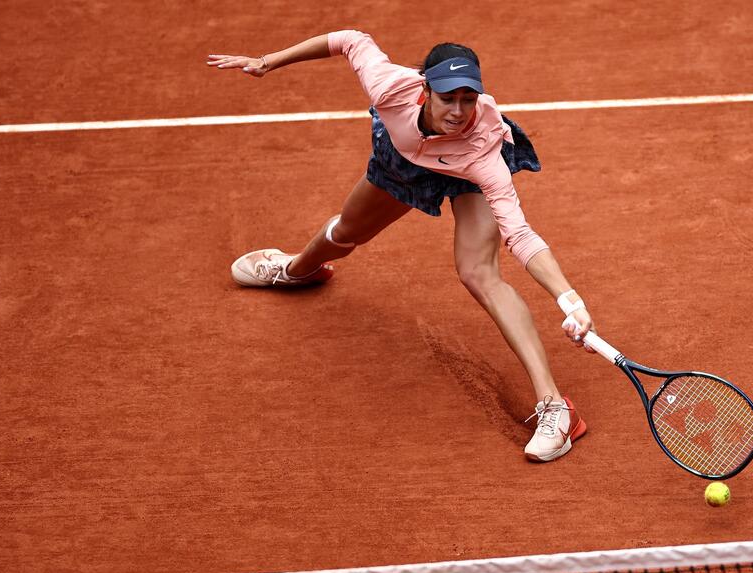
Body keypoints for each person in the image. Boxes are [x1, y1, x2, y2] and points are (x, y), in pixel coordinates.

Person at [207, 31, 596, 462]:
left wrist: (568, 297)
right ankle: (300, 269)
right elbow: (349, 40)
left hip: (466, 168)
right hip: (403, 160)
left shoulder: (481, 144)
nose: (460, 111)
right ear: (424, 88)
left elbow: (519, 234)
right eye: (448, 98)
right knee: (345, 234)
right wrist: (268, 59)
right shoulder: (391, 87)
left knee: (478, 273)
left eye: (469, 98)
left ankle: (556, 408)